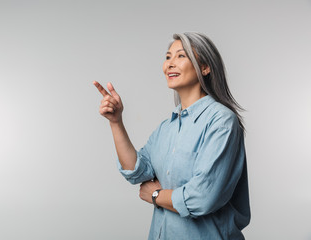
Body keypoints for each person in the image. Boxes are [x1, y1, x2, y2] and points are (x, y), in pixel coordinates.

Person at [93, 32, 250, 240]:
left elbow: (203, 197)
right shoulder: (166, 128)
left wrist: (157, 195)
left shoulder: (221, 122)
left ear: (205, 67)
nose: (170, 64)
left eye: (181, 56)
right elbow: (136, 171)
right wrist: (116, 122)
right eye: (168, 57)